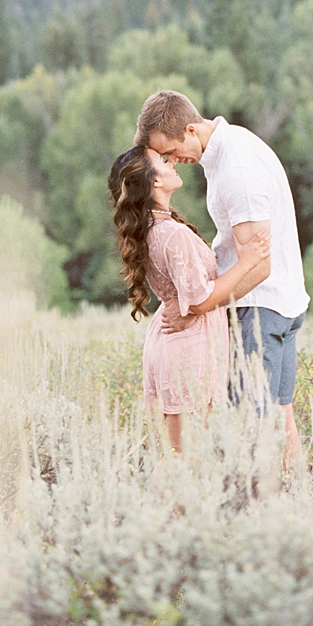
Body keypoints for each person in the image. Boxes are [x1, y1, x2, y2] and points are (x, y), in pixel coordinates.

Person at [135, 90, 309, 462]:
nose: (172, 161)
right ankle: (293, 502)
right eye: (163, 158)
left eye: (170, 151)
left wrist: (195, 308)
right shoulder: (230, 149)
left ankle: (255, 510)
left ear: (191, 129)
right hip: (280, 302)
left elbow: (259, 264)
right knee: (280, 418)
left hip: (260, 309)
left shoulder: (236, 170)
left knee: (250, 427)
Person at [108, 144, 270, 453]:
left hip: (178, 342)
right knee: (187, 460)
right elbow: (198, 301)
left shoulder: (156, 228)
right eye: (163, 161)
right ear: (154, 180)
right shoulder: (172, 233)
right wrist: (248, 261)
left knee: (182, 455)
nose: (172, 164)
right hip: (188, 348)